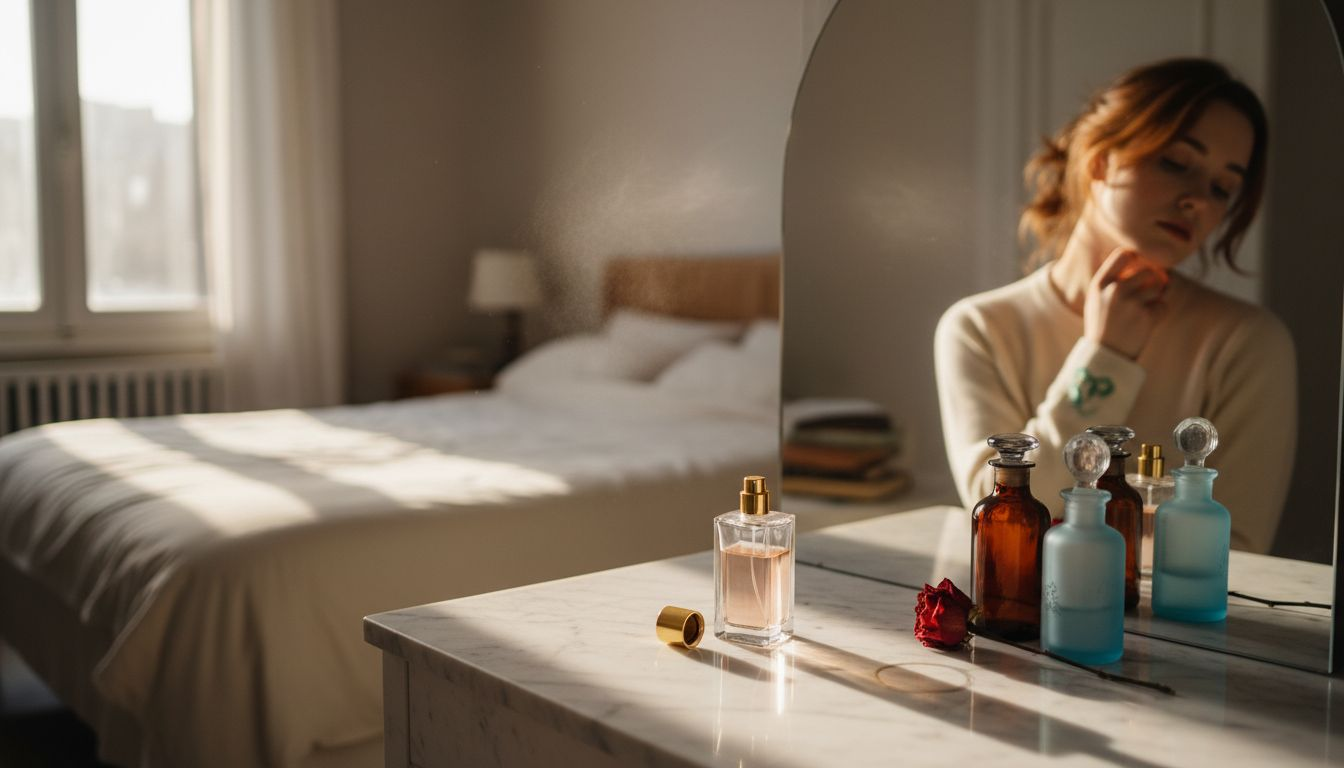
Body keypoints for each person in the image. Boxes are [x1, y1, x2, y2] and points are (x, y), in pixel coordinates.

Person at [934, 58, 1295, 554]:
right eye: (1176, 162)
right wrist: (1105, 357)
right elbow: (999, 526)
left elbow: (1237, 551)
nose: (1198, 200)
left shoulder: (1249, 343)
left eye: (1222, 189)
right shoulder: (978, 328)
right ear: (1100, 159)